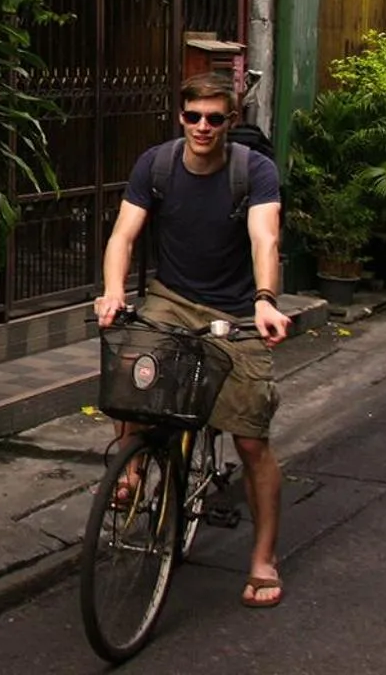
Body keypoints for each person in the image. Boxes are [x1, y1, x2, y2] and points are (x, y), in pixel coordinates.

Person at [94, 71, 292, 609]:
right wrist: (113, 293)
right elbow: (123, 235)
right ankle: (133, 466)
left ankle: (263, 557)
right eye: (193, 116)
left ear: (232, 121)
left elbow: (264, 237)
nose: (203, 126)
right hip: (171, 298)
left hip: (236, 310)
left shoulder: (254, 172)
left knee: (251, 439)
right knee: (134, 364)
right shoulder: (156, 165)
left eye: (215, 118)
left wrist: (267, 299)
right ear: (180, 117)